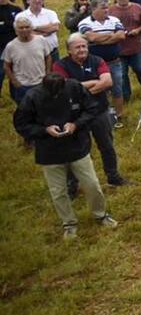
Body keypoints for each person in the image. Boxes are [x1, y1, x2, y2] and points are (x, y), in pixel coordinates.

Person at [13, 73, 118, 240]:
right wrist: (44, 130)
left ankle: (100, 214)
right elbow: (21, 124)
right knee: (58, 191)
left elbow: (91, 109)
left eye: (59, 91)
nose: (56, 95)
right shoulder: (32, 97)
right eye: (51, 92)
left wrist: (76, 124)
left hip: (77, 147)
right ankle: (69, 223)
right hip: (49, 152)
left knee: (92, 184)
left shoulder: (75, 87)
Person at [53, 33, 128, 187]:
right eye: (77, 47)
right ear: (69, 50)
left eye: (84, 46)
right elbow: (64, 88)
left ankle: (113, 177)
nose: (82, 50)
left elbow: (108, 82)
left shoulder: (97, 60)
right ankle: (73, 184)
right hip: (75, 115)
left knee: (107, 145)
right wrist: (94, 82)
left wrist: (78, 89)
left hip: (99, 111)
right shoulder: (60, 65)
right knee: (75, 150)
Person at [4, 16, 53, 104]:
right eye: (21, 27)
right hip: (23, 86)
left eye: (27, 27)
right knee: (25, 110)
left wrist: (48, 73)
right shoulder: (10, 46)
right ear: (16, 30)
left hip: (41, 83)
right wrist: (15, 82)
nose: (24, 30)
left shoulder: (41, 40)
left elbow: (48, 57)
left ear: (31, 28)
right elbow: (6, 66)